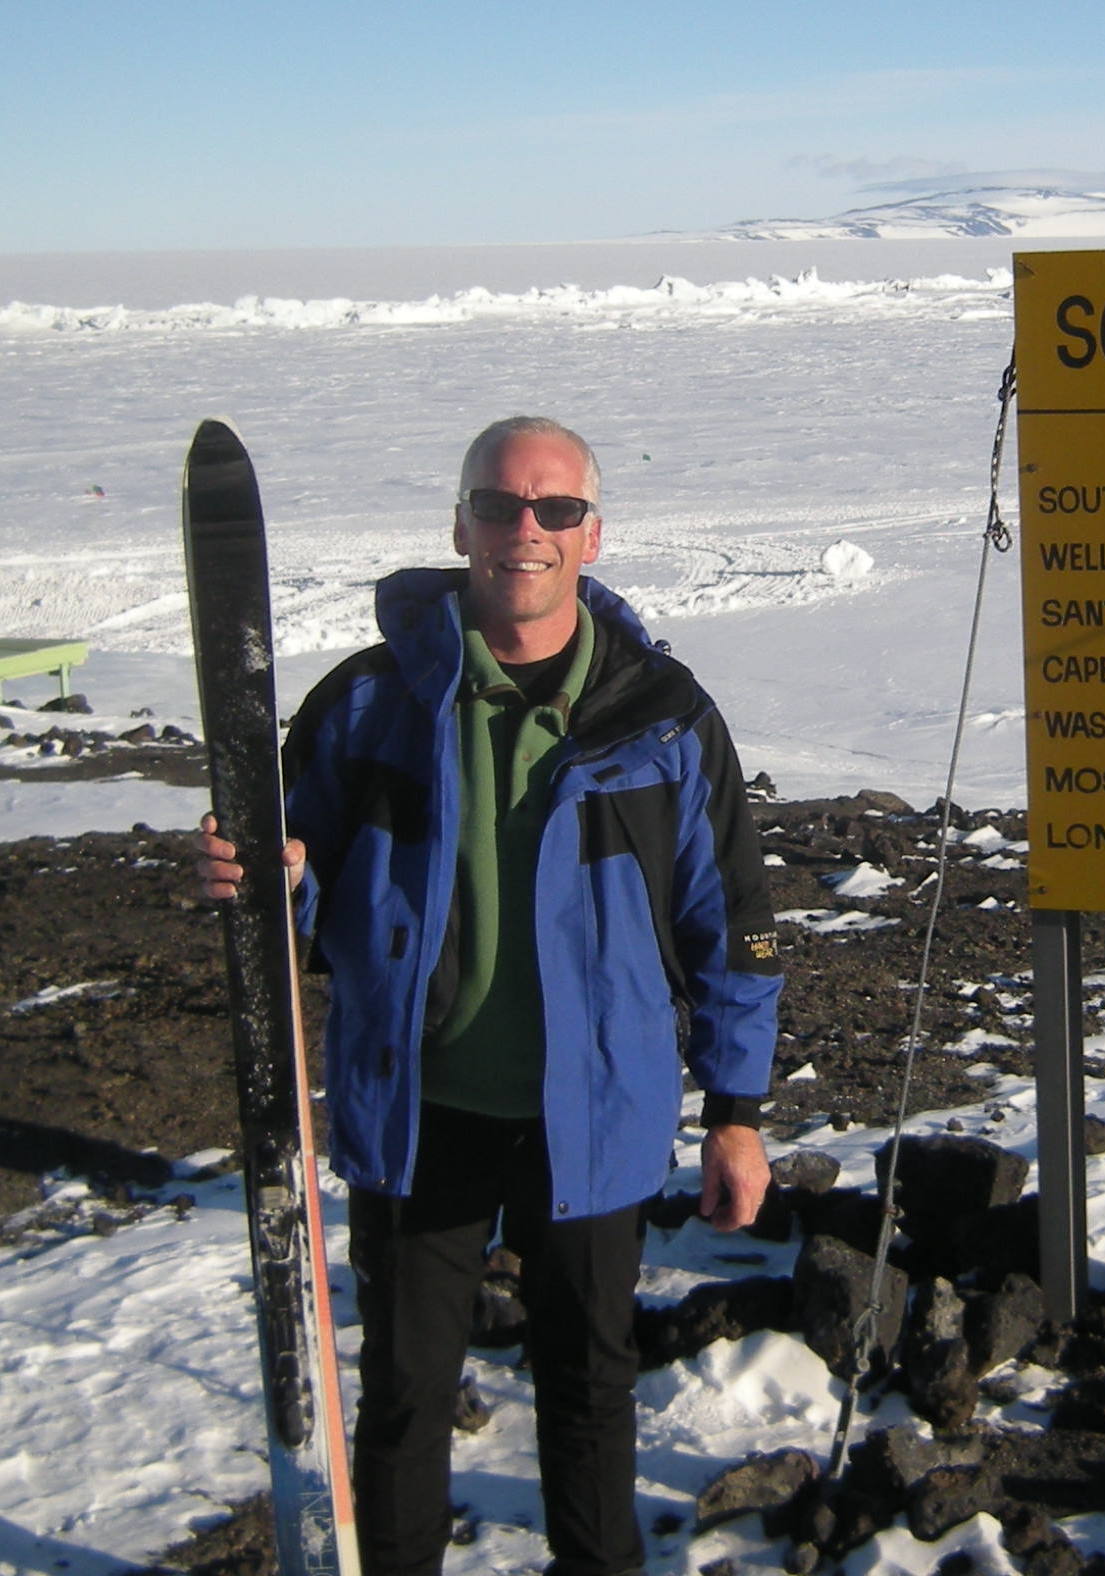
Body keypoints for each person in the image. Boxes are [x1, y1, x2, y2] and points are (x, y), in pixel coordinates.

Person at [196, 415, 782, 1576]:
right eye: (501, 506)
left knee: (589, 1392)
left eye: (555, 509)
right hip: (423, 1112)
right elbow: (299, 896)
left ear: (594, 535)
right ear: (457, 524)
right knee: (408, 1400)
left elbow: (729, 921)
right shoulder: (369, 708)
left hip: (594, 1112)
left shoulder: (658, 718)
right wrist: (261, 882)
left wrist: (737, 1108)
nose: (527, 531)